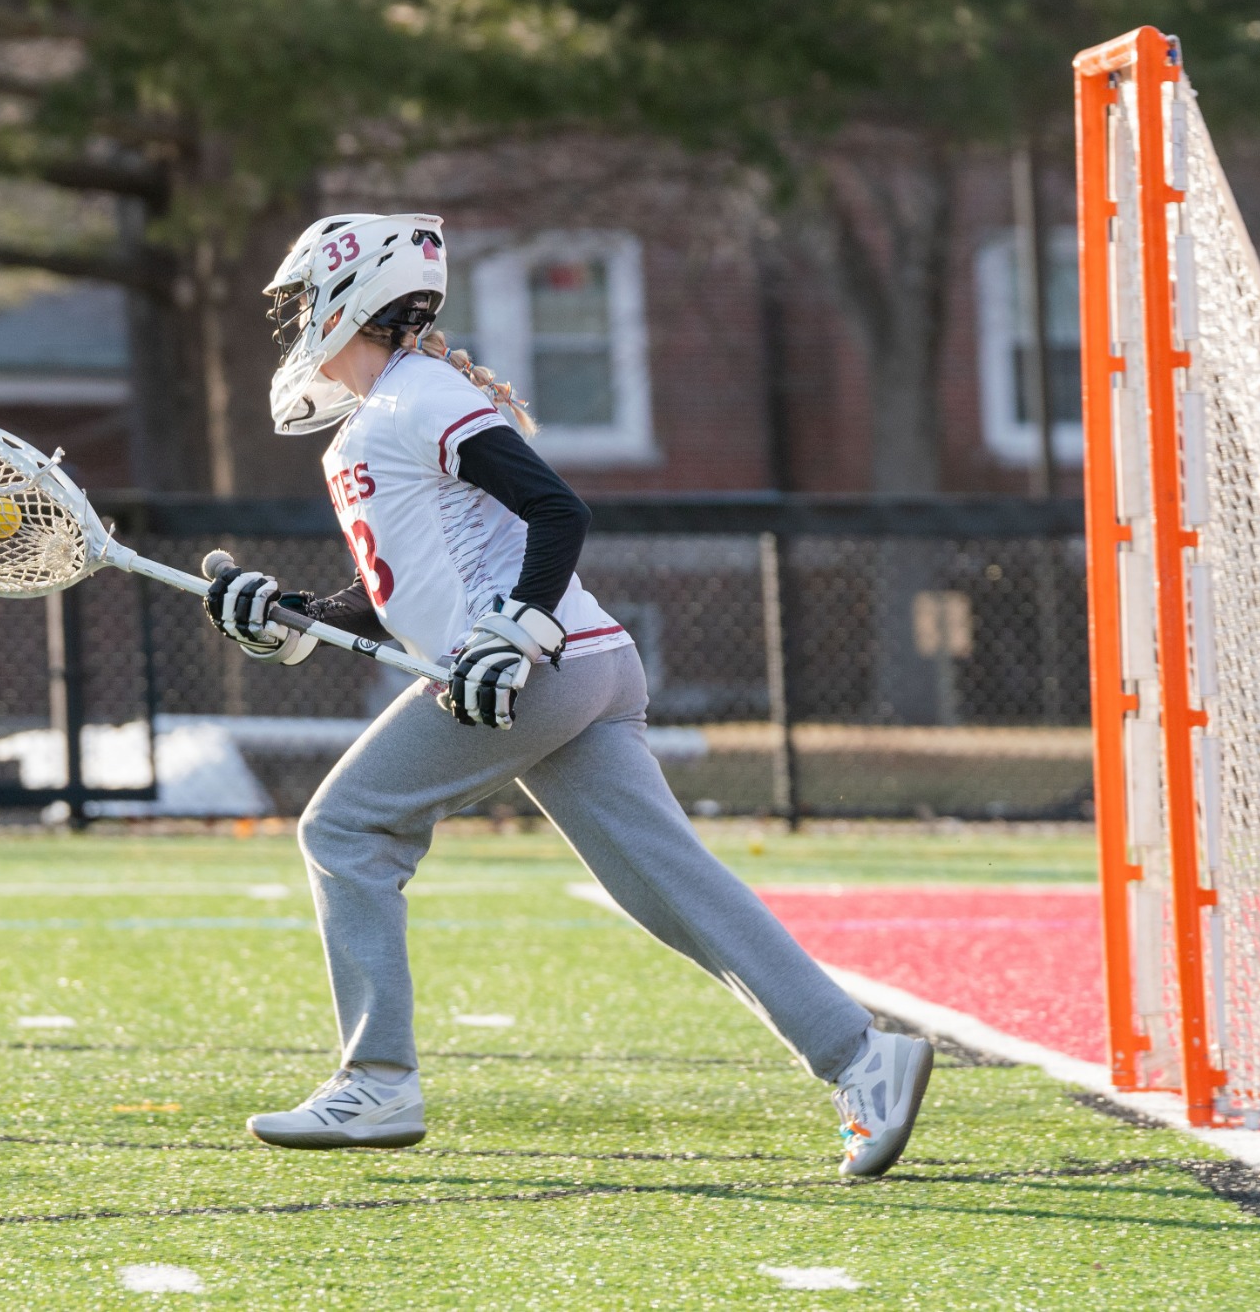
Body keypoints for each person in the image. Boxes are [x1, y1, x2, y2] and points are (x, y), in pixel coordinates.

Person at [202, 212, 930, 1176]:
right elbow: (401, 598)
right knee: (667, 885)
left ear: (354, 296)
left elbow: (557, 510)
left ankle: (377, 1081)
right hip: (576, 665)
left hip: (538, 670)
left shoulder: (417, 396)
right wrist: (291, 612)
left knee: (344, 831)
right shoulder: (390, 411)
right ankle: (862, 1057)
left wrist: (517, 633)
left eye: (306, 302)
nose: (300, 325)